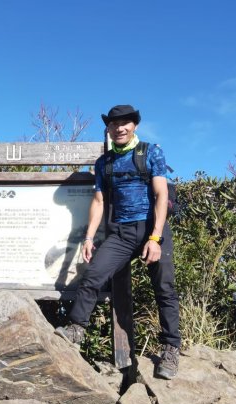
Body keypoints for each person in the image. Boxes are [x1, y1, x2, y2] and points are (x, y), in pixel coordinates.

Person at [55, 105, 181, 380]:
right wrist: (88, 238)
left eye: (125, 123)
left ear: (134, 125)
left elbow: (161, 195)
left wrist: (155, 238)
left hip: (152, 229)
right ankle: (77, 327)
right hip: (121, 234)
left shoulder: (150, 152)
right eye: (114, 124)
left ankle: (171, 348)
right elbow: (99, 201)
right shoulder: (105, 163)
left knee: (164, 289)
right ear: (108, 129)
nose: (120, 128)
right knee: (94, 275)